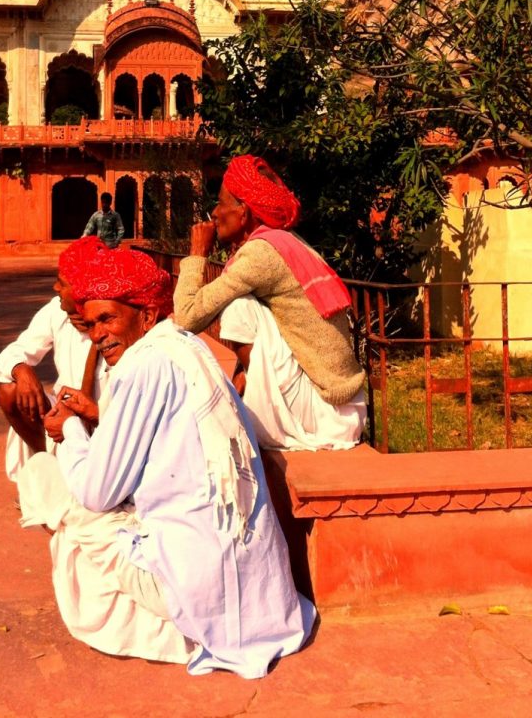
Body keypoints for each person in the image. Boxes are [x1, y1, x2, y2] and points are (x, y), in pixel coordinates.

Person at [16, 247, 315, 677]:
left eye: (108, 319)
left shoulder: (143, 366)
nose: (98, 334)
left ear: (147, 315)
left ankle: (175, 625)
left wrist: (73, 431)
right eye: (92, 323)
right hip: (262, 596)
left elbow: (98, 492)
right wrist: (95, 416)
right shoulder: (188, 348)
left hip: (197, 586)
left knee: (47, 478)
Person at [173, 154, 366, 451]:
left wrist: (197, 253)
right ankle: (251, 390)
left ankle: (262, 411)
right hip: (344, 406)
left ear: (244, 213)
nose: (214, 213)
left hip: (326, 411)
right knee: (246, 305)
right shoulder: (285, 241)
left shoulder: (260, 255)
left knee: (239, 308)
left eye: (222, 203)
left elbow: (186, 317)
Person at [0, 237, 107, 481]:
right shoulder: (57, 311)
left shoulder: (116, 321)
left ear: (80, 290)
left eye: (62, 283)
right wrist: (22, 371)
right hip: (64, 412)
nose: (56, 288)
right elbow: (12, 353)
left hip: (106, 418)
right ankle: (50, 469)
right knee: (10, 390)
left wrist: (91, 323)